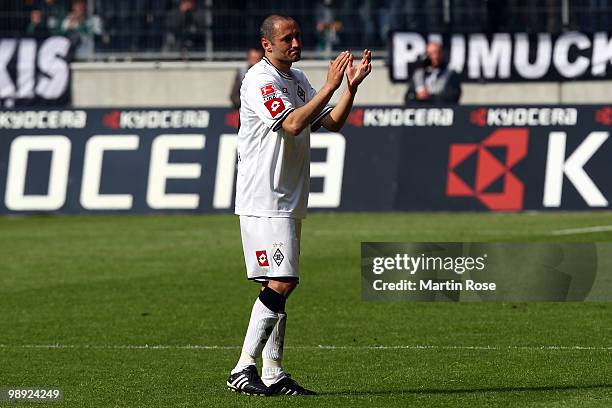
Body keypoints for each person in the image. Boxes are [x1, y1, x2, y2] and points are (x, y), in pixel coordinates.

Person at [227, 14, 372, 396]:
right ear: (267, 45)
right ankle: (243, 368)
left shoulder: (297, 80)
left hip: (288, 197)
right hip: (264, 197)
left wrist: (349, 90)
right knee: (283, 281)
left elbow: (333, 123)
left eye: (298, 36)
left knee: (278, 285)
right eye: (287, 38)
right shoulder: (260, 80)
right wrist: (328, 85)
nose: (295, 43)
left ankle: (273, 372)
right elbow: (291, 124)